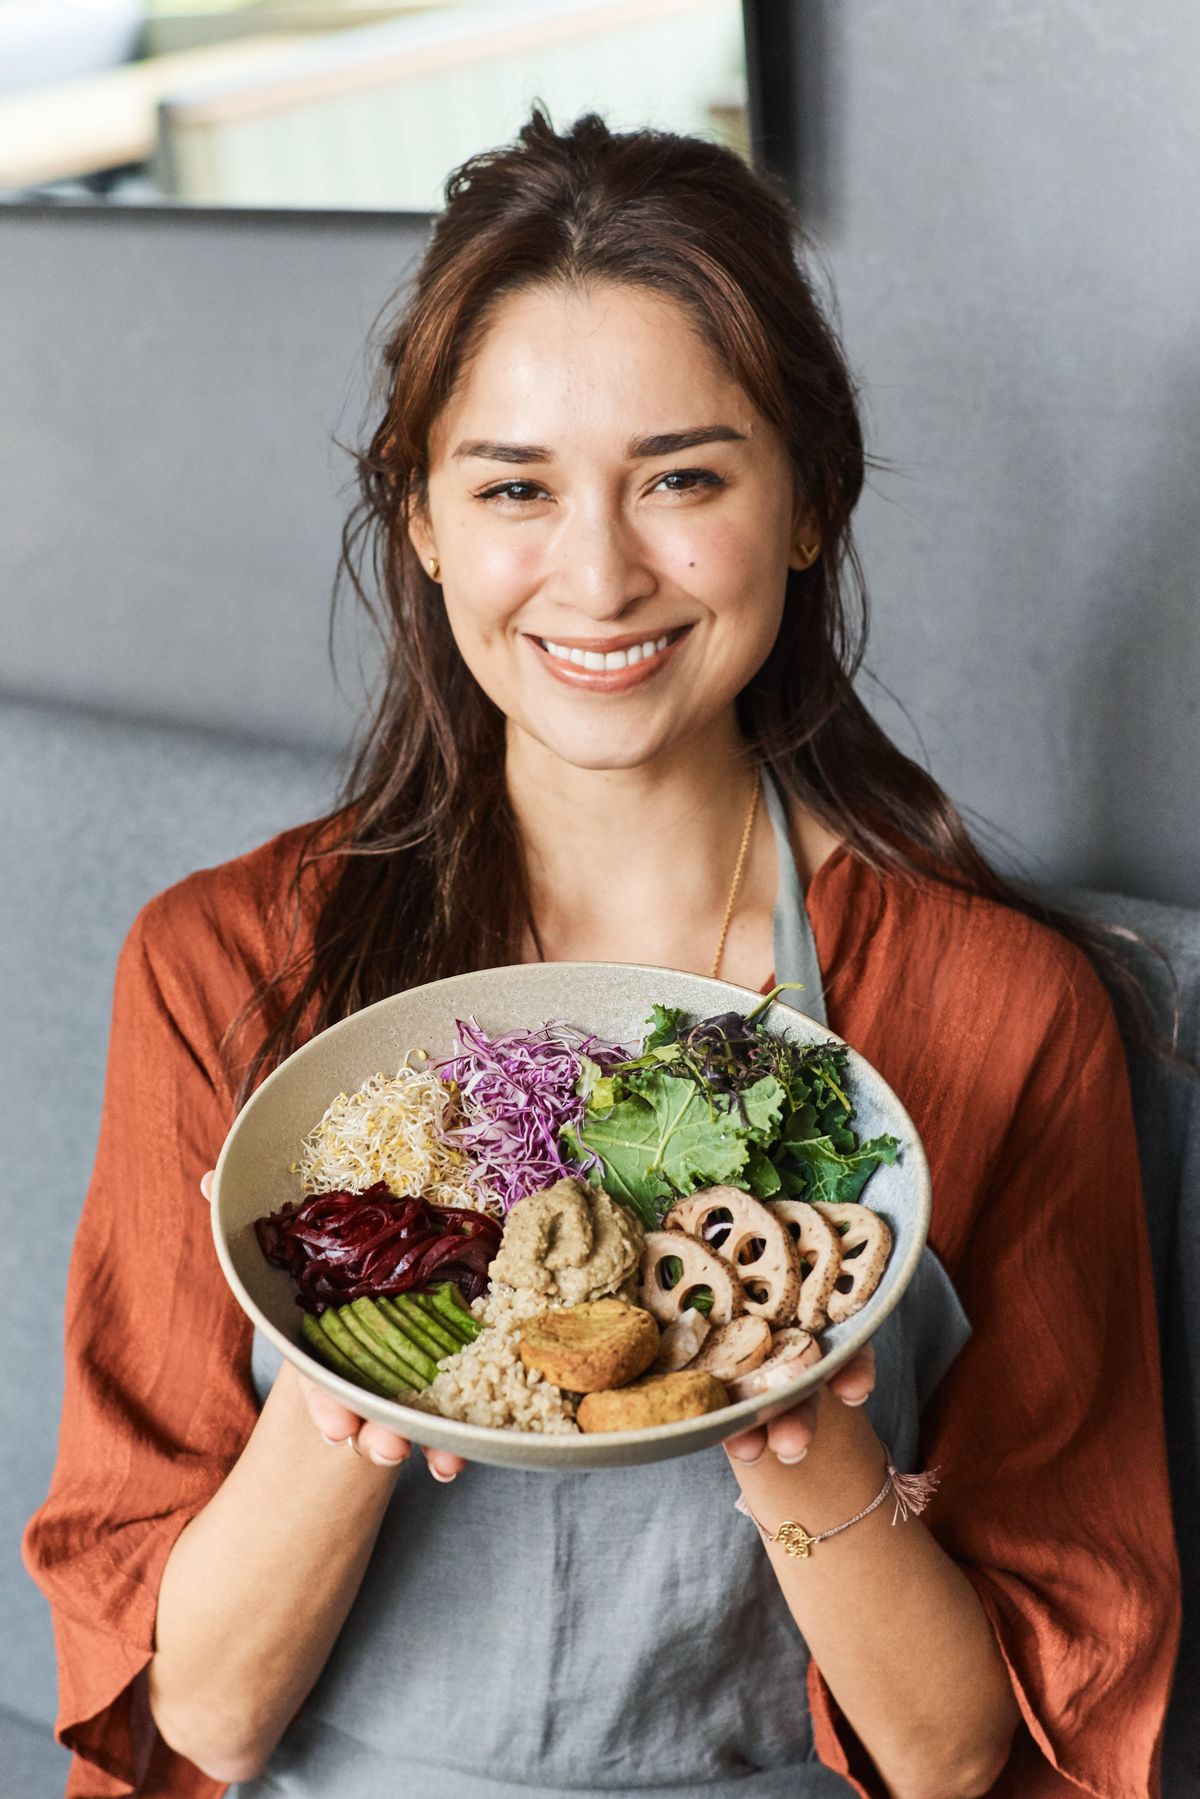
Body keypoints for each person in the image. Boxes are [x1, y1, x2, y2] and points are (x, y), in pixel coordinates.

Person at [25, 107, 1180, 1799]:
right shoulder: (224, 970)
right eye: (514, 488)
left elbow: (962, 1760)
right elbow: (192, 1719)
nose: (598, 574)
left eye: (684, 478)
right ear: (420, 523)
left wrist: (788, 1423)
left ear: (807, 504)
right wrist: (367, 1364)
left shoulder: (996, 1013)